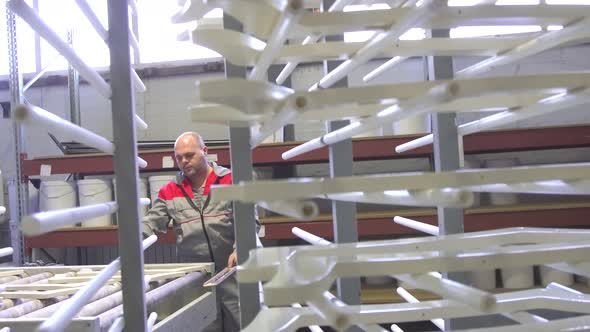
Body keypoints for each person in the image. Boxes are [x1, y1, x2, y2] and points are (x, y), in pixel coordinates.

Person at [142, 132, 245, 332]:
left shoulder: (231, 181)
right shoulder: (170, 191)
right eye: (179, 158)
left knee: (243, 324)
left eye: (189, 155)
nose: (184, 161)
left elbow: (250, 220)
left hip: (233, 273)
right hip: (197, 280)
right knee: (204, 326)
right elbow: (151, 223)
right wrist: (132, 239)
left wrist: (241, 247)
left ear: (205, 151)